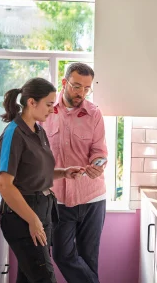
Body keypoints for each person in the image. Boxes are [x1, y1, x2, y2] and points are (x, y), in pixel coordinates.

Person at [0, 77, 84, 283]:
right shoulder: (13, 134)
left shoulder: (38, 130)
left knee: (29, 278)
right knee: (45, 278)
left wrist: (63, 172)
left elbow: (34, 171)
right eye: (49, 104)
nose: (52, 110)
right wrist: (32, 220)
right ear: (31, 102)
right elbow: (4, 184)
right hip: (23, 216)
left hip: (42, 210)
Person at [41, 63, 108, 283]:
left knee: (89, 259)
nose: (81, 93)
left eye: (86, 88)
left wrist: (97, 164)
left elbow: (99, 151)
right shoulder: (47, 112)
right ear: (64, 82)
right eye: (76, 86)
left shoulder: (94, 114)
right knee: (62, 255)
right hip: (58, 199)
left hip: (92, 197)